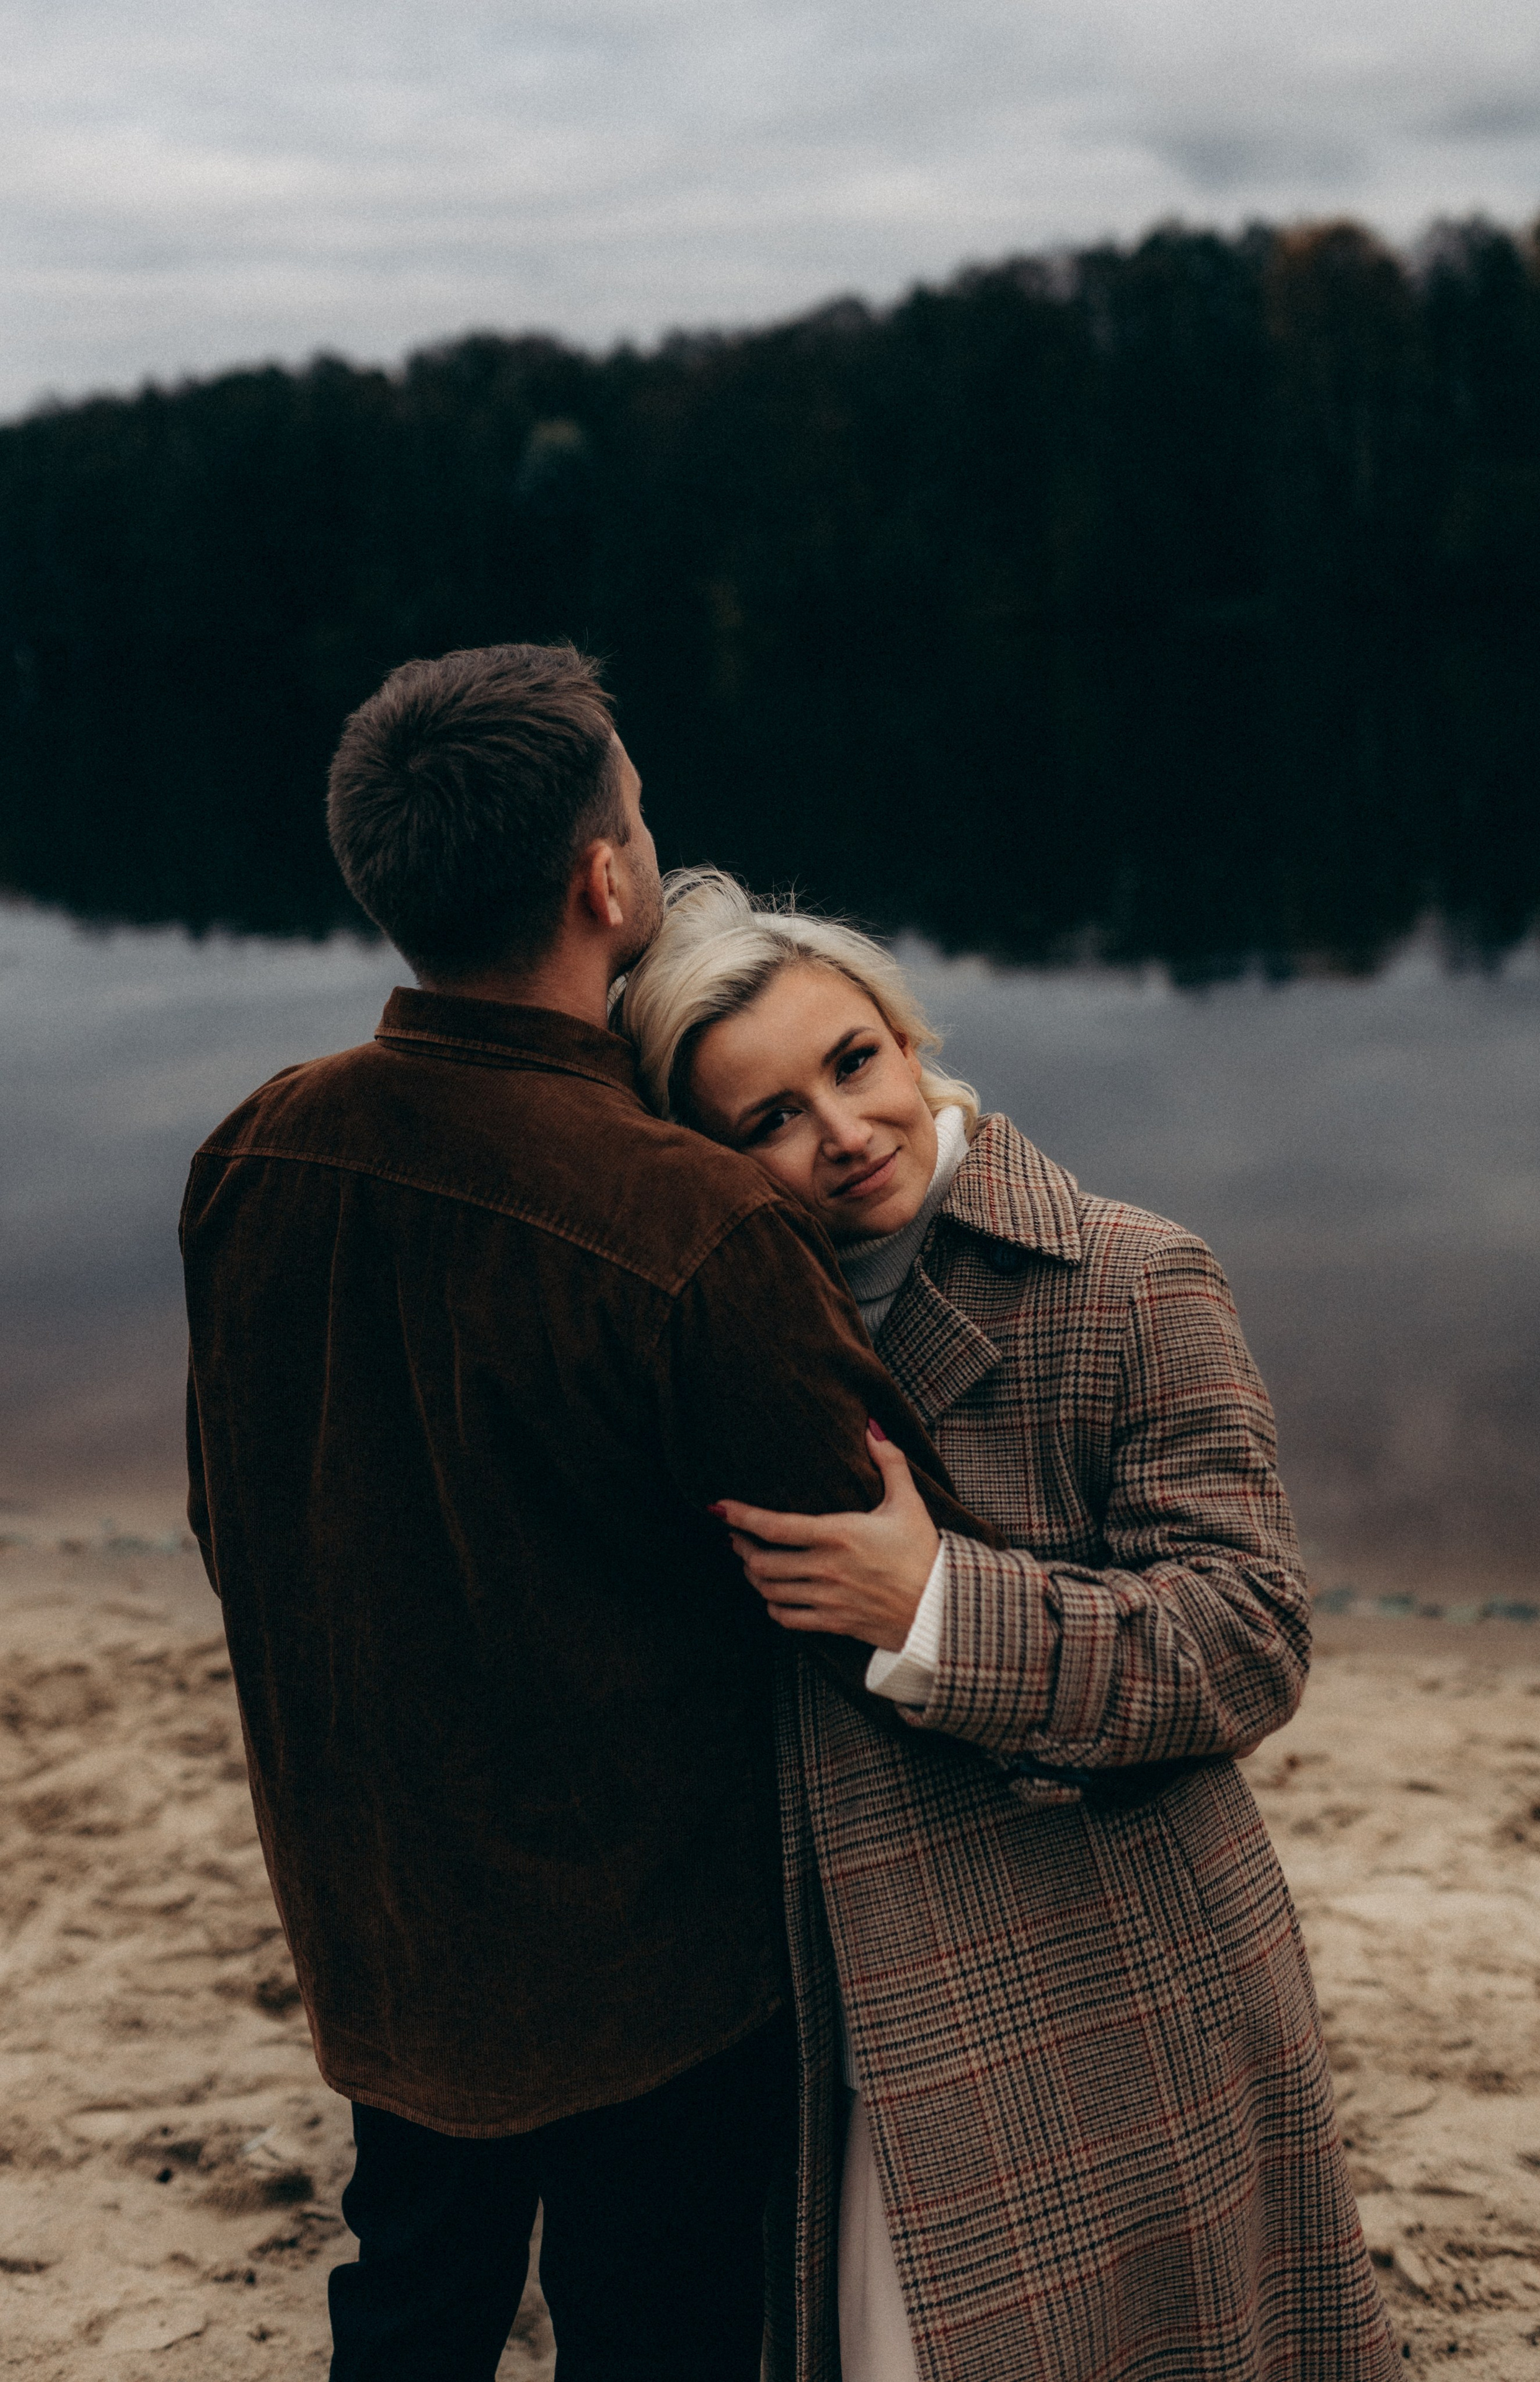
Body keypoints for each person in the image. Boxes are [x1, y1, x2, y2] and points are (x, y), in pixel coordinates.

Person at [179, 647, 989, 2382]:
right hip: (657, 1970)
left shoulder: (257, 1146)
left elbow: (230, 1507)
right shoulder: (690, 1219)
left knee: (406, 2303)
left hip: (377, 1914)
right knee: (664, 2331)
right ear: (607, 877)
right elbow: (852, 1554)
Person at [618, 869, 1398, 2382]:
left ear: (909, 1044)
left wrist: (931, 1608)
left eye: (852, 1063)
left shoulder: (1129, 1274)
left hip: (1095, 1954)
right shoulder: (712, 1328)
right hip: (820, 1971)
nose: (840, 1134)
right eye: (765, 1119)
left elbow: (1247, 1635)